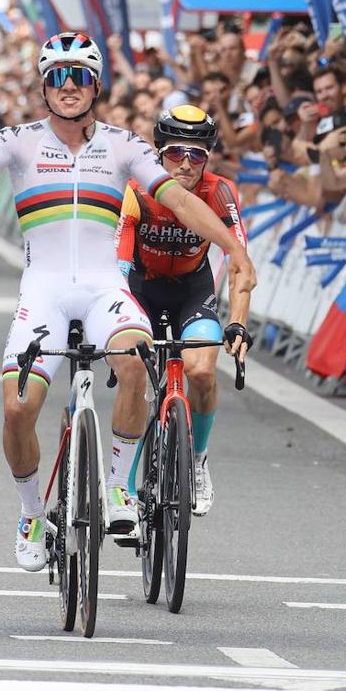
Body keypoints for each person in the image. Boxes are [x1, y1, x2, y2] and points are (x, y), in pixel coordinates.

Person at [0, 32, 256, 572]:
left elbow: (177, 199)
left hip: (106, 289)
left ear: (96, 84)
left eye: (79, 74)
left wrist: (233, 250)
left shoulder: (126, 146)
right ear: (44, 84)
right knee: (16, 409)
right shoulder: (20, 139)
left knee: (135, 360)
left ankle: (120, 490)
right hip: (45, 293)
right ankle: (33, 513)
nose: (69, 85)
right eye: (57, 75)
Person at [114, 105, 252, 517]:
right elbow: (120, 264)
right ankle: (123, 487)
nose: (186, 163)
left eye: (196, 155)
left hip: (192, 290)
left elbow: (241, 263)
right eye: (175, 153)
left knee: (202, 371)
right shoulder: (137, 188)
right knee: (135, 378)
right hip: (141, 287)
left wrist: (238, 323)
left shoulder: (220, 193)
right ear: (158, 154)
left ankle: (197, 460)